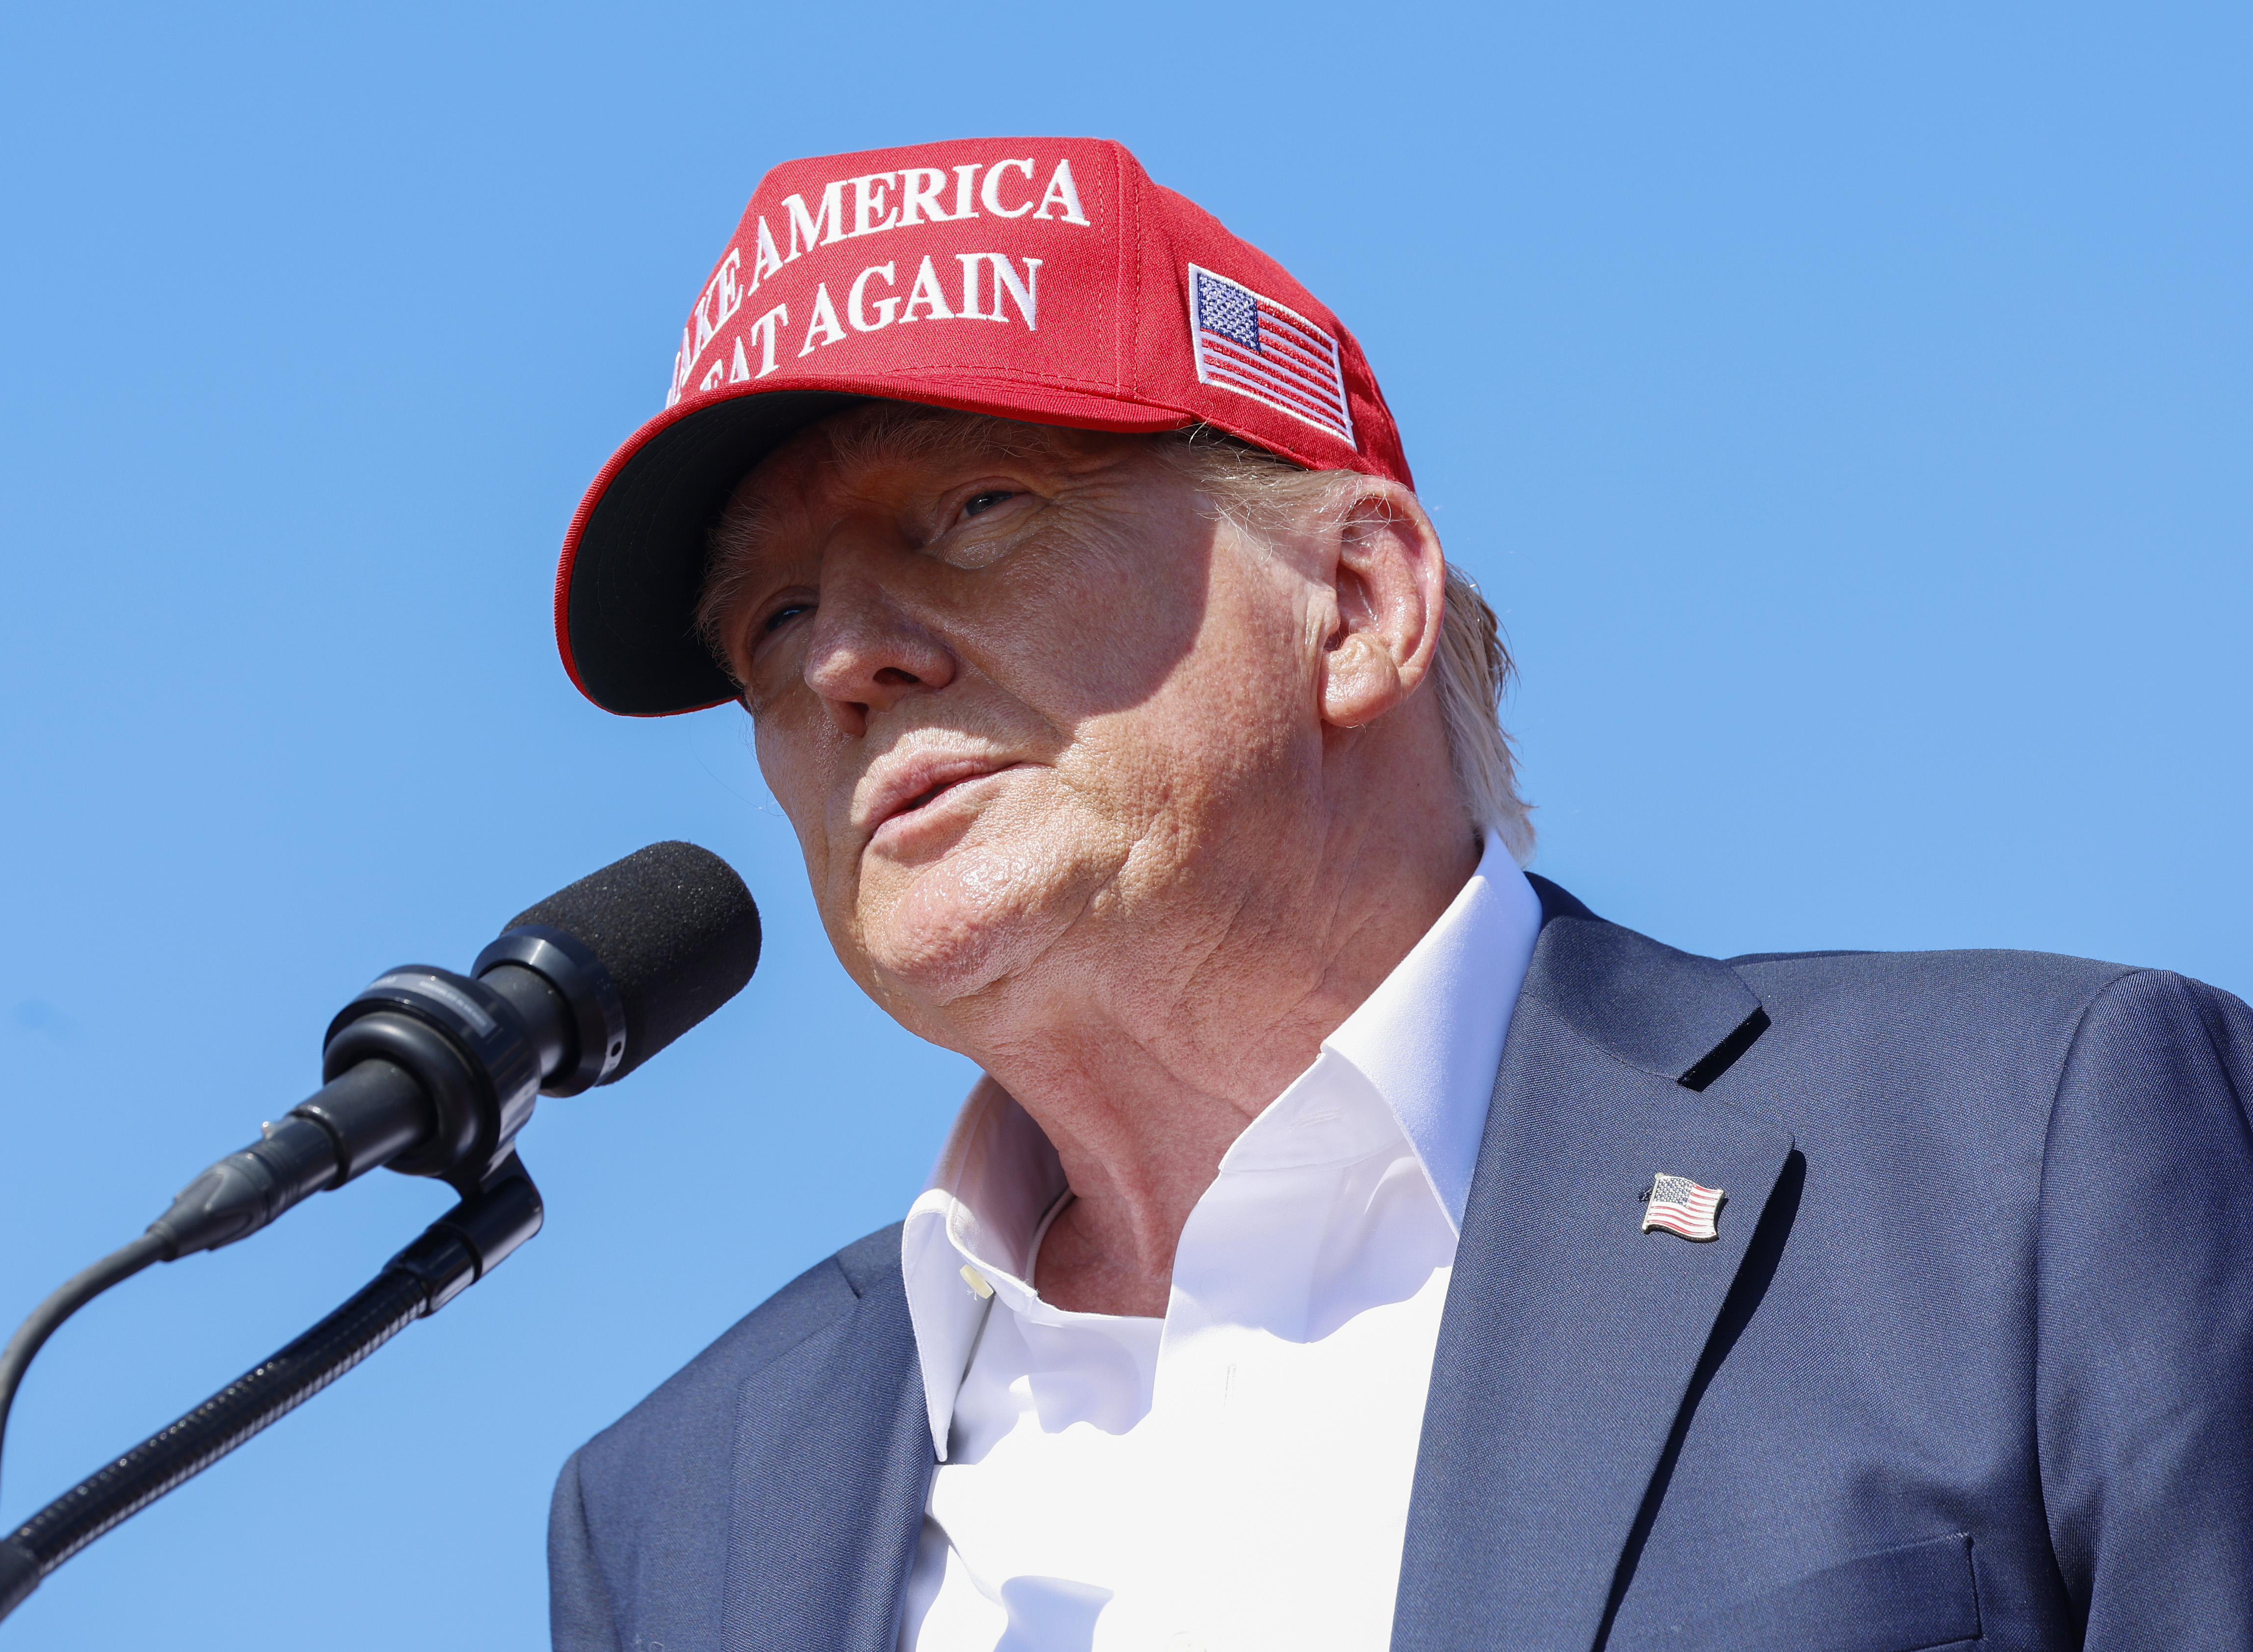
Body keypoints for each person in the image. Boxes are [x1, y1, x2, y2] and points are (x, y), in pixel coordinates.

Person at [540, 137, 2253, 1651]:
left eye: (978, 508)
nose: (844, 657)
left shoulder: (2027, 1158)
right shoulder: (684, 1512)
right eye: (769, 621)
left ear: (1356, 601)